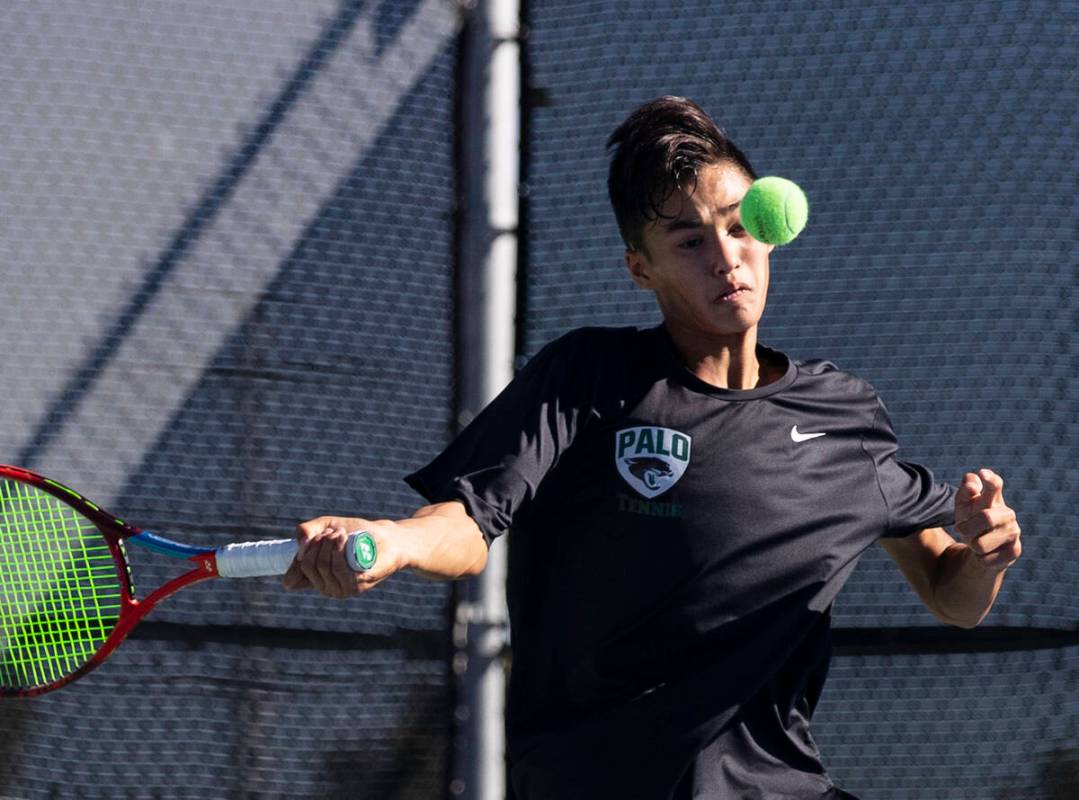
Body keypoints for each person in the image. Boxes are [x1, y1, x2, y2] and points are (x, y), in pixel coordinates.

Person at [283, 96, 1022, 799]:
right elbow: (468, 525)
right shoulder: (588, 378)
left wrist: (983, 555)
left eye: (739, 228)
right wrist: (393, 540)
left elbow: (948, 593)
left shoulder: (843, 417)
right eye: (689, 241)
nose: (725, 258)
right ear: (641, 269)